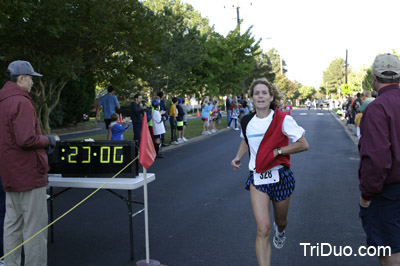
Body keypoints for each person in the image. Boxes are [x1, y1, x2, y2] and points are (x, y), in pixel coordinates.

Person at [231, 78, 308, 266]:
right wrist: (238, 156)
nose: (260, 96)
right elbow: (246, 140)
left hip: (280, 176)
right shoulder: (247, 120)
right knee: (263, 229)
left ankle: (280, 231)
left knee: (280, 221)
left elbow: (303, 144)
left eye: (264, 92)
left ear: (271, 96)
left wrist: (278, 151)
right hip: (257, 177)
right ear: (251, 98)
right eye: (256, 93)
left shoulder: (283, 119)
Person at [0, 60, 59, 266]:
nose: (33, 83)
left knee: (12, 227)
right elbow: (26, 139)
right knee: (35, 230)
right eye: (31, 78)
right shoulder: (21, 102)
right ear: (22, 78)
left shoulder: (3, 101)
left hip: (10, 174)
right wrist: (49, 139)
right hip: (29, 175)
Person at [358, 53, 400, 266]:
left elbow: (377, 160)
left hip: (388, 192)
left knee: (389, 250)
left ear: (374, 77)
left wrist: (367, 194)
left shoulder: (377, 108)